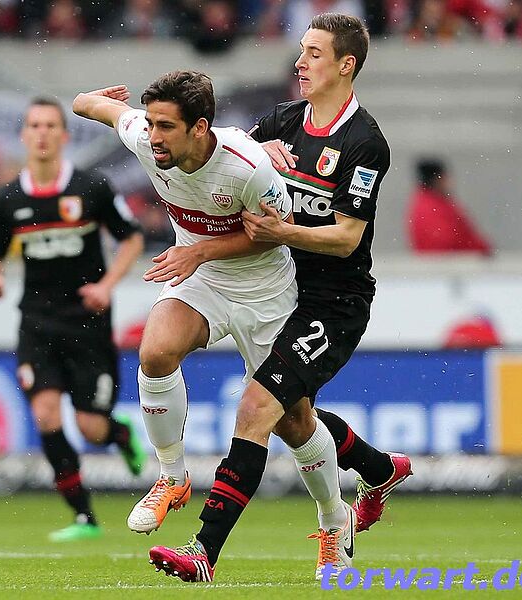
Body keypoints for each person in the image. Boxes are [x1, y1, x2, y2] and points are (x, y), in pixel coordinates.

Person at [145, 13, 410, 582]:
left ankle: (203, 551)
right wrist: (255, 148)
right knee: (293, 418)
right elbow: (232, 160)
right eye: (301, 51)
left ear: (346, 65)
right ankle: (374, 470)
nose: (300, 62)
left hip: (332, 303)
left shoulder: (364, 143)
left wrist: (283, 231)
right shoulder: (281, 121)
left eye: (314, 53)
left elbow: (347, 237)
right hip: (277, 286)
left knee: (257, 408)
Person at [74, 70, 357, 582]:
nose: (154, 137)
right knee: (155, 352)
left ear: (200, 127)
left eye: (166, 127)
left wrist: (199, 250)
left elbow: (276, 234)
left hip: (266, 294)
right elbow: (91, 107)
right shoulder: (144, 138)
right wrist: (90, 98)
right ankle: (171, 477)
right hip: (203, 279)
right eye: (151, 124)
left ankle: (334, 519)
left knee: (295, 425)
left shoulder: (249, 167)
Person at [0, 96, 147, 543]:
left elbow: (131, 239)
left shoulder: (91, 188)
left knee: (91, 426)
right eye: (34, 125)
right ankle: (83, 516)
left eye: (51, 125)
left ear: (64, 135)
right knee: (46, 414)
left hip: (88, 323)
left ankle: (118, 434)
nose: (42, 133)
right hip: (36, 322)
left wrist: (107, 285)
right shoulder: (8, 198)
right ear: (24, 135)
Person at [407, 158, 492, 255]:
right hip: (452, 261)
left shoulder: (430, 203)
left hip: (450, 260)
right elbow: (445, 242)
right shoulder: (432, 206)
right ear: (437, 179)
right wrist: (480, 250)